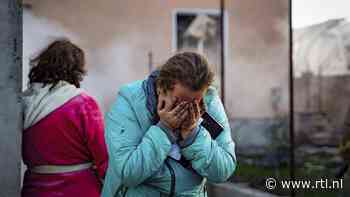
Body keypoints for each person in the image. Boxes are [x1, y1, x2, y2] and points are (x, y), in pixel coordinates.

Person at [102, 52, 237, 197]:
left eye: (195, 102)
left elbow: (224, 171)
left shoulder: (208, 101)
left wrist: (193, 136)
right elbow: (127, 173)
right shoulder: (130, 102)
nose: (189, 109)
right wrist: (164, 130)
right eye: (180, 101)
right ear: (161, 88)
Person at [21, 39, 108, 197]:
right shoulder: (83, 103)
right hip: (79, 189)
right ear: (76, 69)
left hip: (34, 190)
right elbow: (103, 156)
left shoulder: (23, 103)